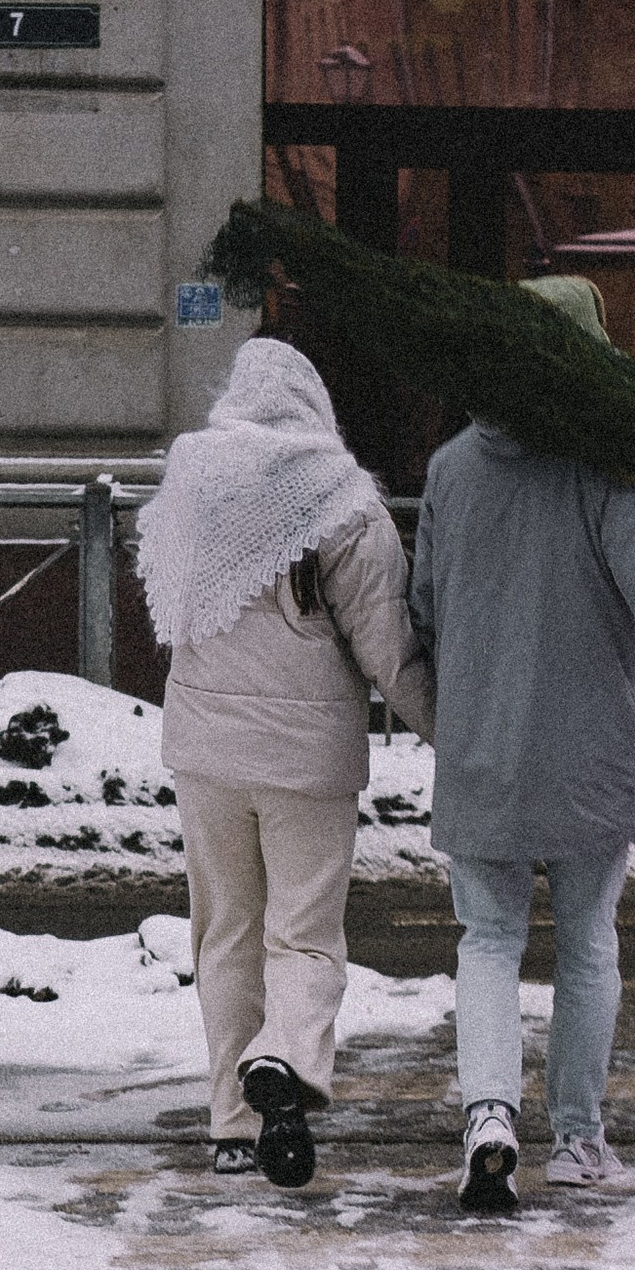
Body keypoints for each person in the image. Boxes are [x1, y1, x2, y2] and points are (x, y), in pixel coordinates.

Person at [408, 273, 635, 1214]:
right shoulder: (617, 464)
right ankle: (577, 1138)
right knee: (587, 944)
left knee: (488, 941)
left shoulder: (452, 468)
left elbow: (425, 610)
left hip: (482, 745)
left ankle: (490, 1118)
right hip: (591, 749)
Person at [136, 334, 435, 1187]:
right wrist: (453, 735)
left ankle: (233, 1125)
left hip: (205, 751)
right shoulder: (342, 498)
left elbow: (169, 609)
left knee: (225, 931)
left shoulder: (191, 482)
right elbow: (389, 649)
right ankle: (286, 1060)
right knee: (302, 933)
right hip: (308, 759)